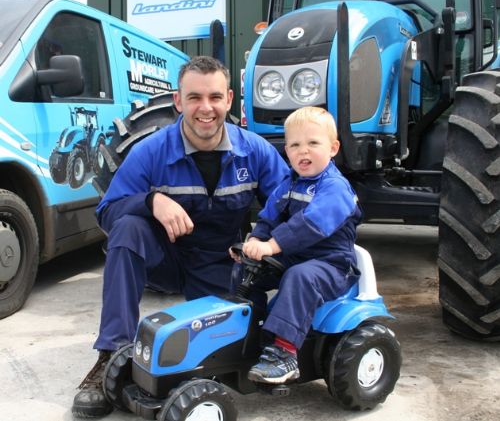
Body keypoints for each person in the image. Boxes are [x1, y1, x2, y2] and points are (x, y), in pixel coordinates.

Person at [72, 56, 289, 418]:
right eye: (194, 98)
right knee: (127, 229)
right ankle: (111, 354)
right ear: (178, 101)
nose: (206, 108)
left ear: (229, 99)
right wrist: (151, 201)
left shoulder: (256, 152)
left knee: (236, 351)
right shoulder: (150, 152)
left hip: (221, 264)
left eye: (215, 97)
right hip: (167, 259)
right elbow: (107, 212)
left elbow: (289, 207)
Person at [230, 106, 362, 384]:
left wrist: (273, 245)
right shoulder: (289, 184)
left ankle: (285, 354)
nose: (303, 151)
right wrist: (254, 241)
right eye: (295, 145)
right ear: (286, 151)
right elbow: (268, 217)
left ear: (333, 147)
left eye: (313, 143)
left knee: (300, 276)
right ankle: (249, 332)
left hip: (332, 265)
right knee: (245, 270)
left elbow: (311, 224)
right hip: (294, 255)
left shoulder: (335, 188)